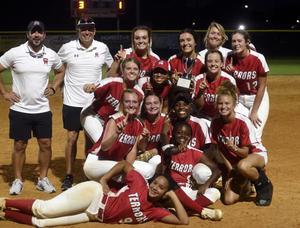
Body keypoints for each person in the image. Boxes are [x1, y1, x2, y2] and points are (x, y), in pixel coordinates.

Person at [0, 160, 189, 226]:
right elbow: (124, 164)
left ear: (165, 193)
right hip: (94, 195)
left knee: (42, 223)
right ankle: (4, 202)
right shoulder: (140, 183)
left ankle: (4, 214)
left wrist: (172, 195)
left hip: (92, 216)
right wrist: (105, 179)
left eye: (161, 188)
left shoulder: (155, 211)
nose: (155, 187)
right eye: (155, 183)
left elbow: (183, 221)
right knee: (44, 210)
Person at [0, 20, 65, 195]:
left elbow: (61, 70)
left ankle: (42, 179)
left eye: (40, 32)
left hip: (42, 109)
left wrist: (53, 87)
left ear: (44, 35)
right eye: (33, 32)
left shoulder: (51, 54)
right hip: (20, 109)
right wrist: (5, 93)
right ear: (28, 34)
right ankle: (18, 179)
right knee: (19, 145)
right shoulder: (15, 52)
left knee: (45, 144)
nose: (36, 35)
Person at [57, 16, 113, 191]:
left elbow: (112, 68)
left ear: (95, 31)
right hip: (72, 101)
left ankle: (88, 174)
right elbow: (58, 67)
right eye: (83, 29)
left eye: (90, 28)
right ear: (78, 30)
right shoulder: (67, 48)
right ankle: (68, 175)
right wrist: (59, 85)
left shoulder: (102, 48)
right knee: (71, 138)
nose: (87, 32)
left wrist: (102, 85)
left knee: (91, 140)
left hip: (93, 103)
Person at [210, 81, 273, 206]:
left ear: (234, 104)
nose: (223, 106)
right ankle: (246, 183)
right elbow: (220, 150)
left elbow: (245, 152)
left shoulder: (242, 121)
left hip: (255, 155)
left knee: (243, 166)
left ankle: (264, 185)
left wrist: (233, 148)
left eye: (227, 103)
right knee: (228, 200)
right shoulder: (215, 123)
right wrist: (230, 170)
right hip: (236, 163)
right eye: (220, 103)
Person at [83, 89, 156, 181]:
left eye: (134, 102)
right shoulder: (114, 119)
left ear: (138, 104)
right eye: (127, 101)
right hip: (96, 162)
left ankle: (116, 184)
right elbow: (104, 147)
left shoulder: (138, 123)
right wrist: (116, 133)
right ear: (122, 103)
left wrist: (145, 139)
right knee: (130, 172)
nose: (131, 105)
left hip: (115, 165)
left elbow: (132, 151)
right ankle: (103, 180)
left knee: (148, 170)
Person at [162, 122, 223, 221]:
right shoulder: (168, 148)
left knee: (215, 192)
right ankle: (201, 210)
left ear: (190, 137)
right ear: (173, 134)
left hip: (187, 190)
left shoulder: (194, 152)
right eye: (179, 133)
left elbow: (216, 169)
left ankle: (183, 210)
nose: (183, 136)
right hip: (170, 191)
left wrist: (206, 184)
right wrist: (177, 150)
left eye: (186, 134)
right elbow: (167, 151)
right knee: (178, 190)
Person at [81, 57, 144, 144]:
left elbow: (135, 116)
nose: (132, 71)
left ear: (139, 72)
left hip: (113, 123)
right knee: (101, 145)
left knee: (112, 146)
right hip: (93, 116)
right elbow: (91, 87)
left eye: (135, 69)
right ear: (122, 71)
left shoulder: (139, 94)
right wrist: (88, 87)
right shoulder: (112, 82)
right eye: (128, 68)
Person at [225, 29, 269, 141]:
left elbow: (262, 86)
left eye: (239, 41)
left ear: (247, 42)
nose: (236, 44)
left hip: (257, 98)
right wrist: (229, 73)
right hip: (239, 100)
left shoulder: (258, 58)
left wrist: (254, 111)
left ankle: (258, 157)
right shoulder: (229, 58)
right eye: (234, 41)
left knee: (255, 134)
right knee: (240, 131)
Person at [193, 50, 236, 122]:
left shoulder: (229, 80)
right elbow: (198, 107)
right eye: (209, 61)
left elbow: (232, 104)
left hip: (222, 117)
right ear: (205, 63)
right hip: (203, 117)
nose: (213, 64)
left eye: (216, 61)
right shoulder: (198, 79)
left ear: (222, 63)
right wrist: (201, 92)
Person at [168, 28, 205, 102]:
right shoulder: (172, 60)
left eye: (189, 40)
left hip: (195, 104)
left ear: (195, 42)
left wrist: (179, 82)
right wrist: (170, 80)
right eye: (182, 41)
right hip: (177, 103)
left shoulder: (203, 63)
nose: (185, 43)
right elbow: (165, 84)